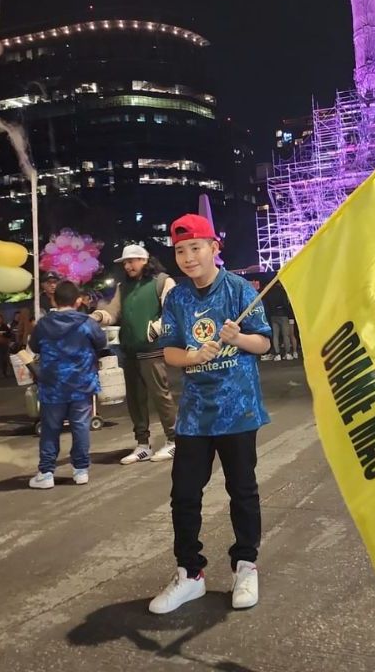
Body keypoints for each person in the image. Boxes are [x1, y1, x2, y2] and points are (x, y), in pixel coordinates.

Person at [148, 213, 272, 614]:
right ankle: (190, 574)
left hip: (238, 409)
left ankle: (245, 565)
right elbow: (168, 351)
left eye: (195, 248)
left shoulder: (238, 289)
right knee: (184, 494)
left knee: (243, 490)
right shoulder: (178, 298)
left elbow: (264, 345)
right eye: (180, 251)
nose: (187, 258)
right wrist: (192, 355)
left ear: (214, 249)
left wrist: (241, 338)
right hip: (195, 414)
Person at [91, 243, 179, 464]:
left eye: (131, 261)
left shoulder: (162, 281)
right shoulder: (124, 286)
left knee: (161, 396)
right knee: (135, 399)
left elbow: (173, 311)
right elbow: (114, 312)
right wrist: (100, 316)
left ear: (144, 260)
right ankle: (142, 445)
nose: (128, 266)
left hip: (153, 349)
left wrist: (155, 329)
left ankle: (174, 441)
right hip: (130, 349)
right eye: (125, 263)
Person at [27, 280, 108, 488]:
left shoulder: (43, 324)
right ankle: (80, 470)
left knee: (50, 429)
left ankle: (46, 473)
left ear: (54, 299)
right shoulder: (87, 323)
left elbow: (34, 346)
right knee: (80, 426)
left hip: (52, 385)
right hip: (82, 383)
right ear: (78, 300)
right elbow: (101, 343)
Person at [264, 280, 298, 361]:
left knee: (275, 335)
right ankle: (288, 353)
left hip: (273, 316)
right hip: (283, 315)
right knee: (286, 335)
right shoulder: (282, 291)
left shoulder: (269, 292)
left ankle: (277, 354)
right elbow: (285, 304)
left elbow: (267, 304)